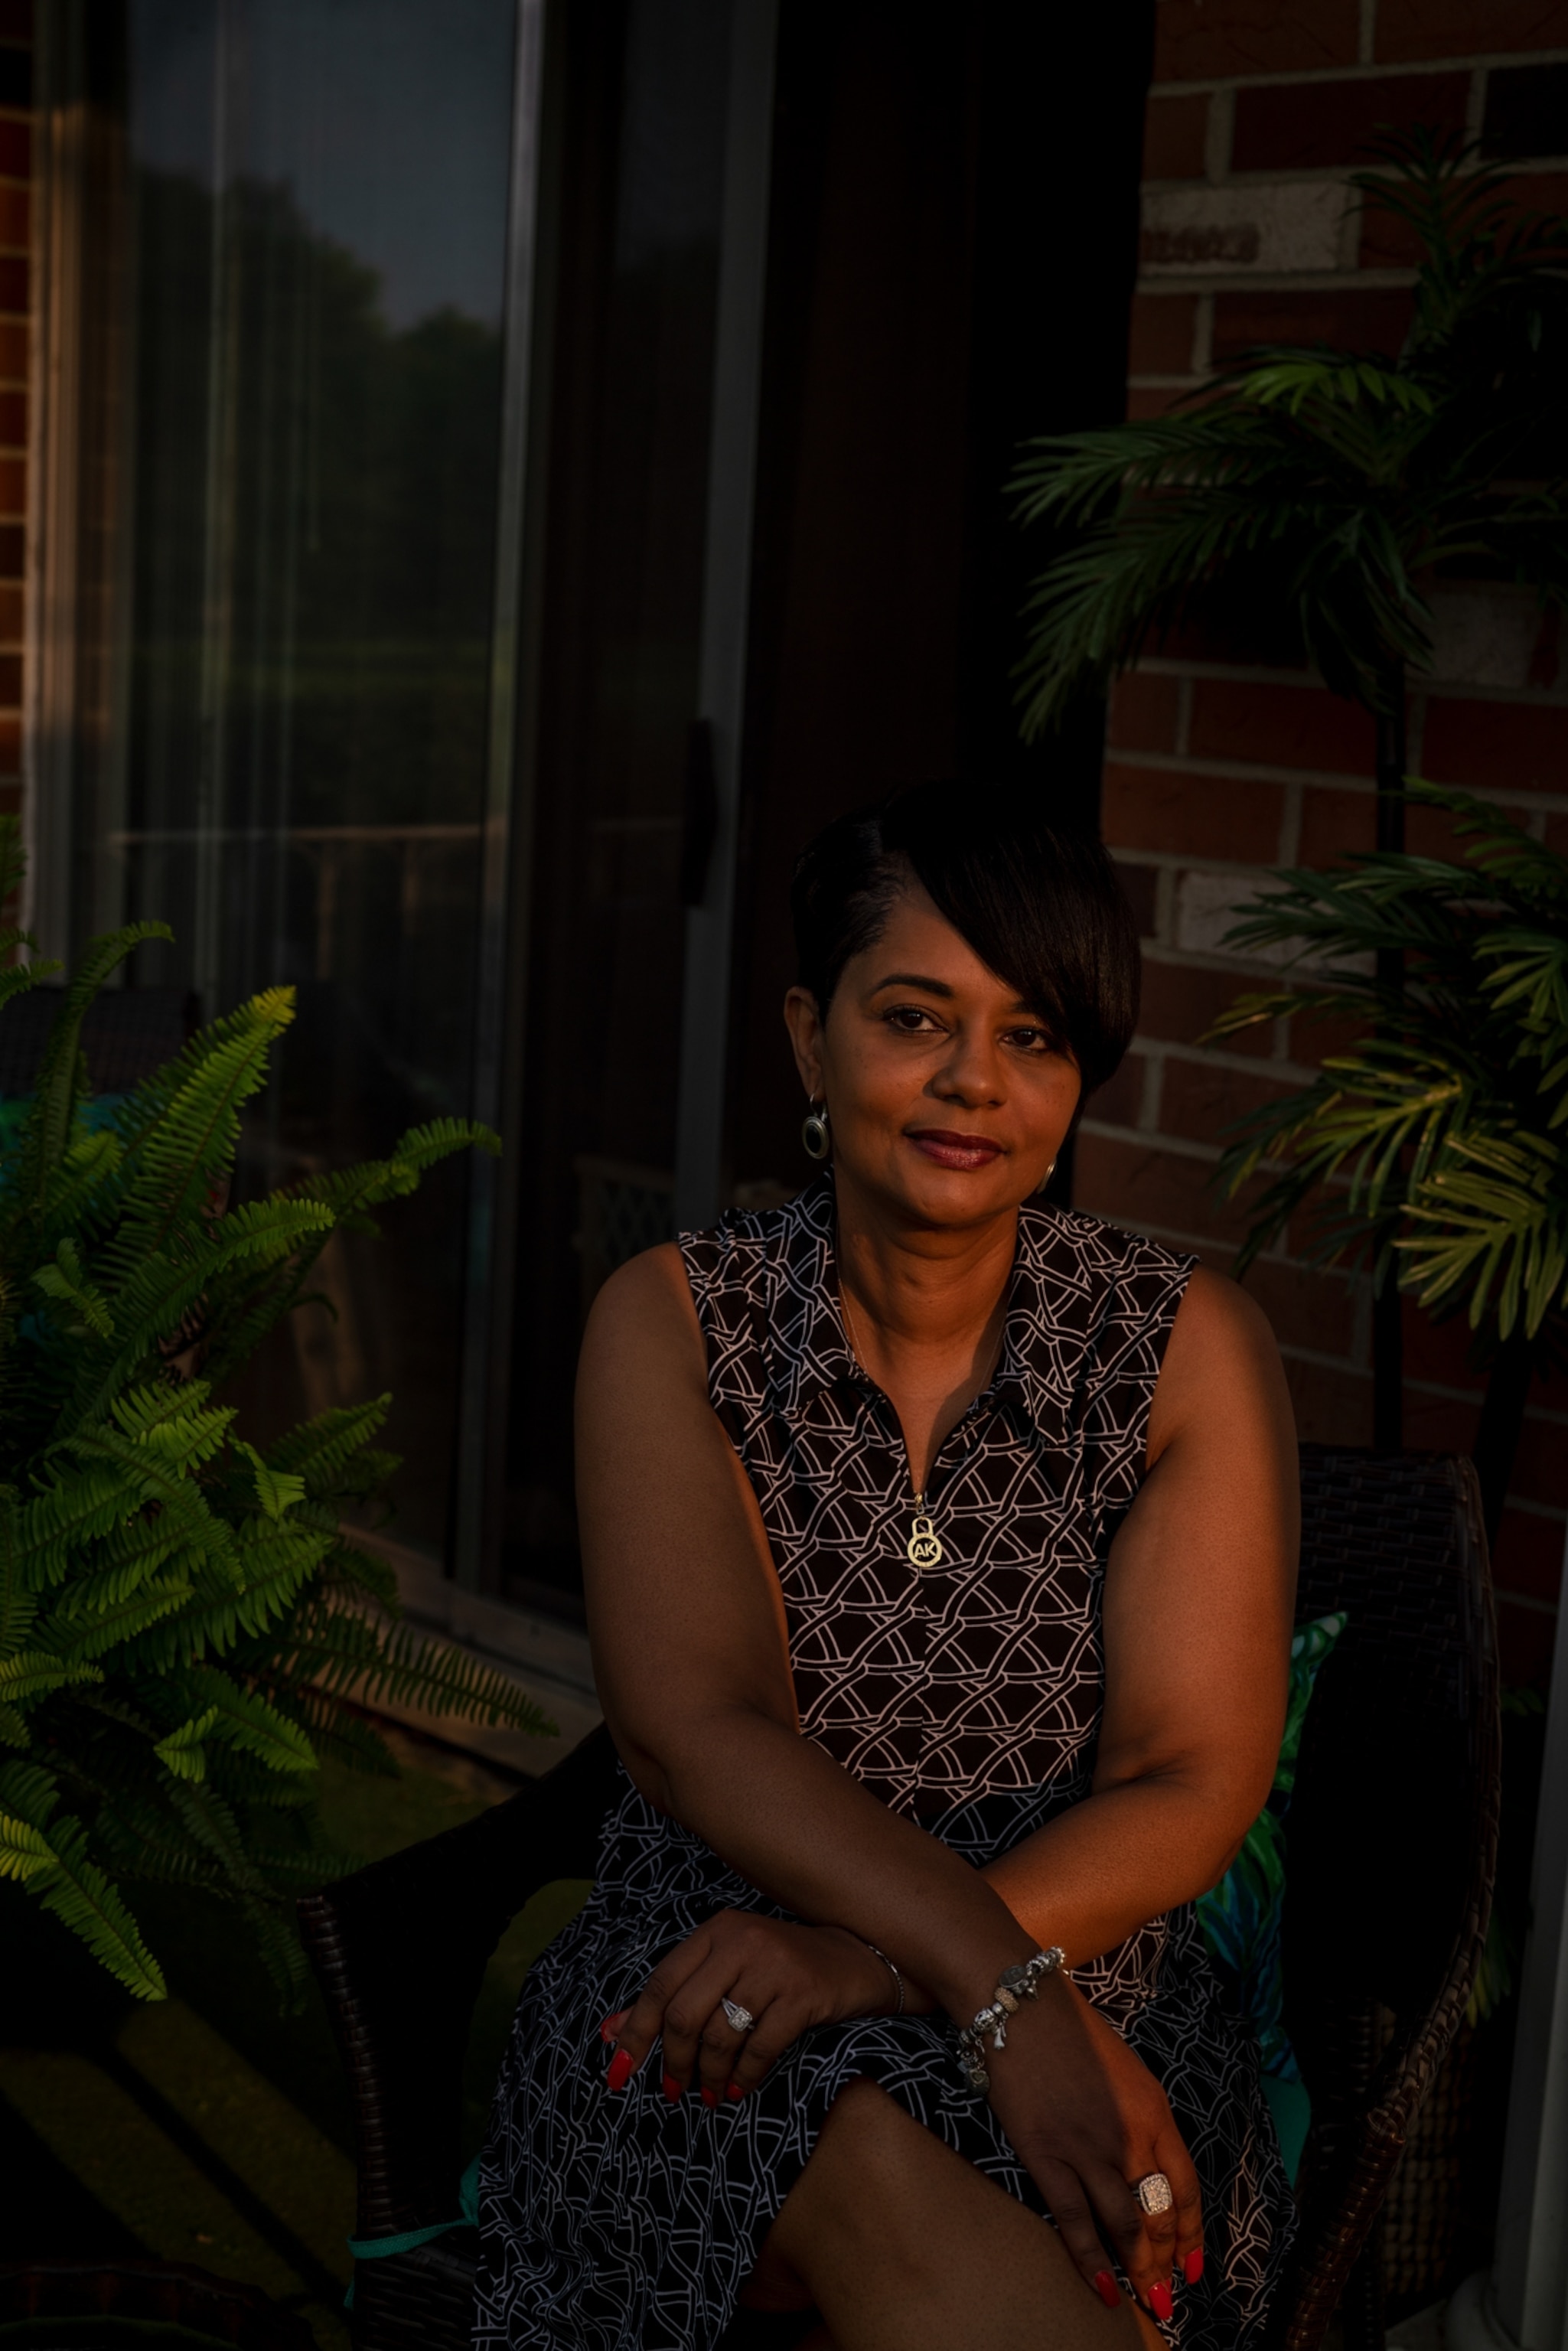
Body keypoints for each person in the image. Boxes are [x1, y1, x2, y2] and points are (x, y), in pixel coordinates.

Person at [474, 781, 1299, 2351]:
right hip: (717, 1975)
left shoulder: (1182, 1348)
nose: (971, 1083)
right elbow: (694, 1725)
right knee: (804, 2126)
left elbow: (1188, 1775)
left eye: (1033, 1036)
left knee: (1030, 2182)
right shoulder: (672, 1322)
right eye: (915, 1018)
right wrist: (1002, 2006)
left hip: (1078, 1981)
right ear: (808, 1036)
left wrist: (903, 1970)